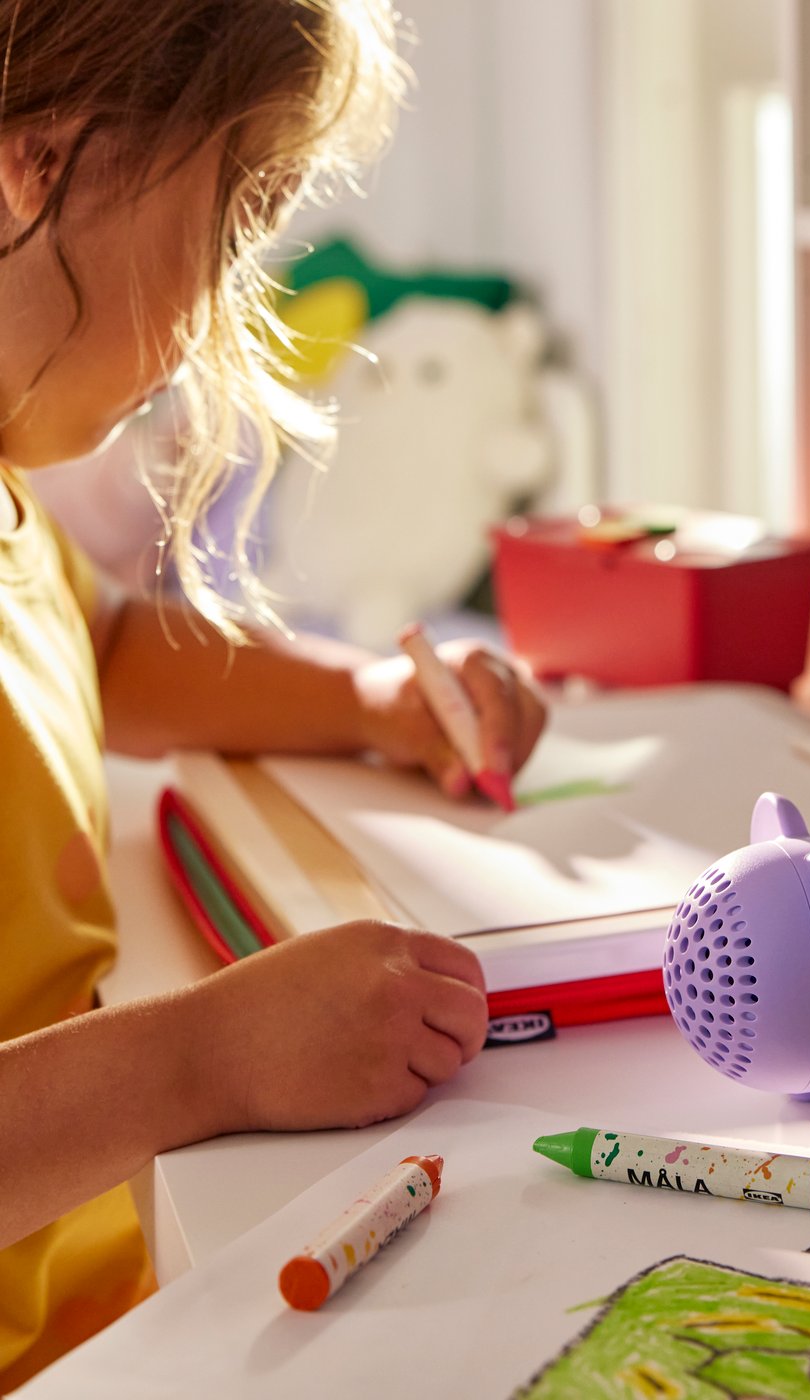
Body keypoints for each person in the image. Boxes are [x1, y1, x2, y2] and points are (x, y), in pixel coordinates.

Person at [0, 1, 546, 1386]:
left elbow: (105, 650)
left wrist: (365, 698)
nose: (235, 286)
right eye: (234, 212)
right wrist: (208, 1060)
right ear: (38, 160)